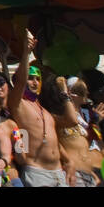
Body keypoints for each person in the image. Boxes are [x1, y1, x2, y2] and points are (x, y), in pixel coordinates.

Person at [7, 21, 67, 186]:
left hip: (59, 173)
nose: (34, 82)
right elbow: (20, 81)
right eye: (30, 78)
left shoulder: (45, 110)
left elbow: (62, 129)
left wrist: (69, 161)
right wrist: (26, 52)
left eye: (38, 79)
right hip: (37, 173)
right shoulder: (18, 104)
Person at [44, 76, 98, 187]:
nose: (68, 93)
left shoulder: (78, 116)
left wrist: (93, 174)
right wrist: (65, 94)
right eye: (64, 92)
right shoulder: (52, 117)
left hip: (88, 173)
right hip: (74, 174)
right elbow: (72, 121)